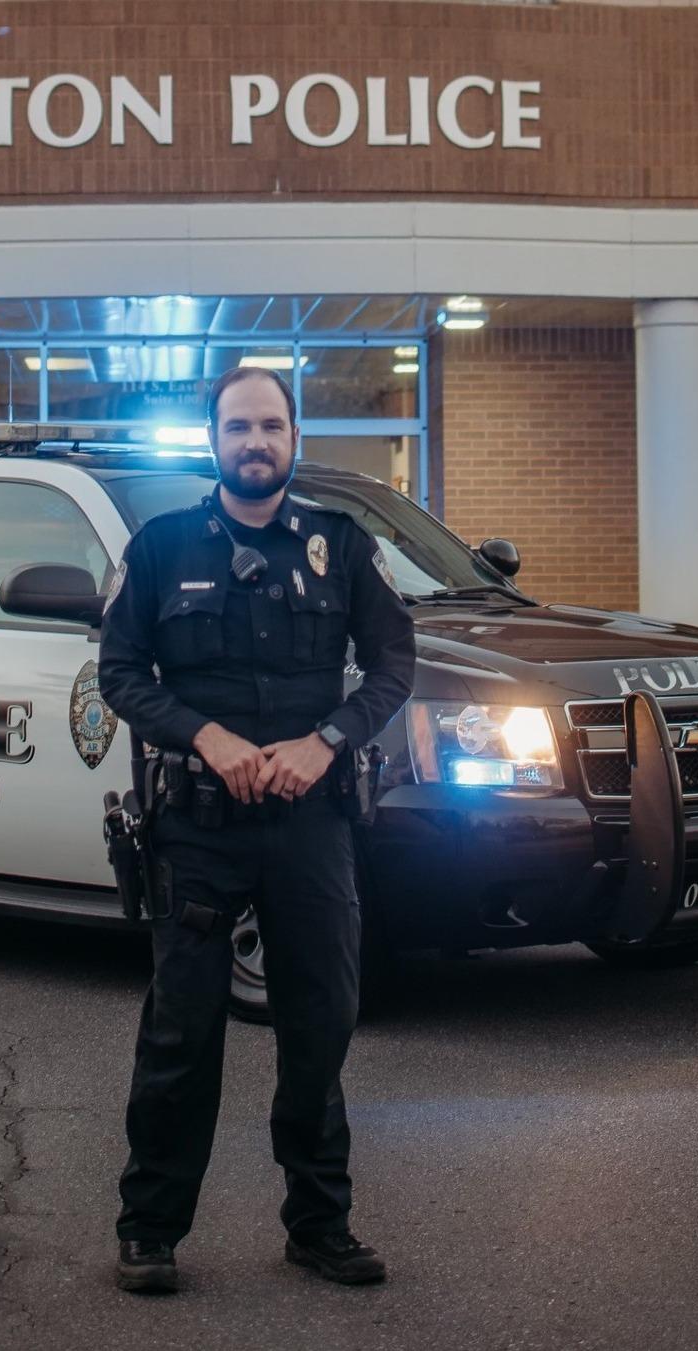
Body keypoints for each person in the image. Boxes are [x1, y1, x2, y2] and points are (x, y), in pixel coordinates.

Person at [98, 365, 416, 1293]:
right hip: (197, 827)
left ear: (294, 434)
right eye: (238, 426)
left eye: (270, 425)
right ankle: (149, 1227)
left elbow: (394, 664)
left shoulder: (341, 546)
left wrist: (329, 740)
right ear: (213, 440)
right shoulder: (157, 549)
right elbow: (120, 673)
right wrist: (205, 735)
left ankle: (319, 1225)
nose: (254, 442)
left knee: (320, 1023)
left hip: (310, 823)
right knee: (181, 1031)